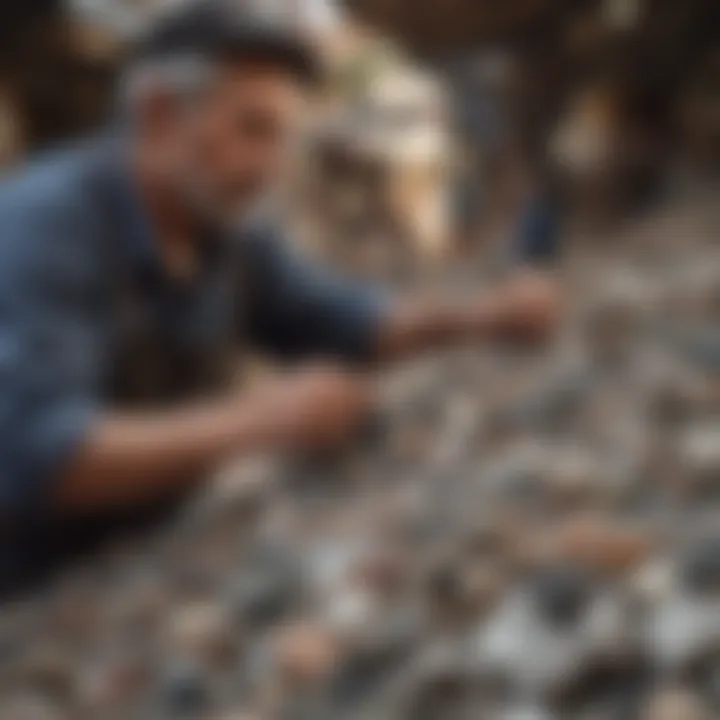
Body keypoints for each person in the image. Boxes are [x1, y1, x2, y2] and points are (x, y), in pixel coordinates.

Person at [0, 1, 559, 594]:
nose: (269, 166)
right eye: (251, 129)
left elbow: (345, 321)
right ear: (159, 114)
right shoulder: (46, 227)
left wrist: (483, 317)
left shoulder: (222, 235)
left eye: (280, 137)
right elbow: (31, 452)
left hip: (119, 566)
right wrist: (259, 420)